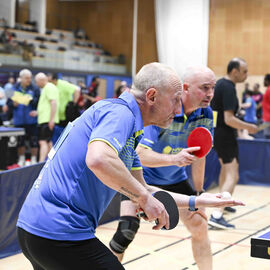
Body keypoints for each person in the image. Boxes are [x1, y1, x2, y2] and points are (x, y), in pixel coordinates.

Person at [16, 62, 243, 270]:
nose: (177, 110)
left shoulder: (130, 135)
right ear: (152, 96)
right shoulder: (120, 113)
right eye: (175, 100)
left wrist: (200, 200)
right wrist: (144, 198)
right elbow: (98, 159)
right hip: (59, 232)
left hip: (33, 230)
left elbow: (144, 189)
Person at [109, 66, 216, 269]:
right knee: (126, 231)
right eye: (204, 88)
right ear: (186, 88)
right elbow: (139, 155)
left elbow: (200, 156)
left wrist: (199, 193)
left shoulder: (205, 114)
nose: (210, 94)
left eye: (213, 87)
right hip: (142, 178)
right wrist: (173, 159)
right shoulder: (163, 109)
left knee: (199, 225)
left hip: (175, 179)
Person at [209, 58, 258, 229]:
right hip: (225, 134)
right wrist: (249, 127)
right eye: (244, 71)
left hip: (217, 134)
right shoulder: (228, 87)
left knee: (225, 169)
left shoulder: (220, 84)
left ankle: (223, 202)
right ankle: (216, 215)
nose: (246, 74)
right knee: (233, 174)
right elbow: (229, 119)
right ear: (234, 71)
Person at [6, 69, 40, 166]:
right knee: (20, 142)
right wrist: (13, 104)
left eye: (30, 78)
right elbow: (8, 103)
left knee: (34, 141)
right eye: (26, 78)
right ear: (21, 78)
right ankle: (21, 159)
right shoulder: (12, 89)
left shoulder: (35, 88)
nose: (29, 80)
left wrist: (30, 100)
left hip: (32, 120)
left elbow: (38, 102)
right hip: (19, 120)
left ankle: (33, 160)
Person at [32, 73, 59, 162]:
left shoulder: (49, 87)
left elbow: (53, 103)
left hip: (47, 120)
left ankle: (41, 162)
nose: (36, 84)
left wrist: (51, 120)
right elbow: (46, 105)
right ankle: (50, 161)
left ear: (41, 80)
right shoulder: (46, 88)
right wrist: (37, 112)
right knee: (48, 142)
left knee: (42, 141)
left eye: (36, 82)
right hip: (45, 119)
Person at [48, 73, 80, 144]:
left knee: (66, 138)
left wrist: (73, 104)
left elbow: (77, 90)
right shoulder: (50, 87)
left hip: (66, 115)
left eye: (50, 81)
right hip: (57, 116)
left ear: (55, 80)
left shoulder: (63, 84)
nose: (48, 83)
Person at [262, 74, 270, 139]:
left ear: (267, 81)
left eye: (264, 80)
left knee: (267, 141)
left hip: (268, 120)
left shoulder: (269, 90)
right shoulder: (268, 90)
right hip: (266, 119)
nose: (263, 82)